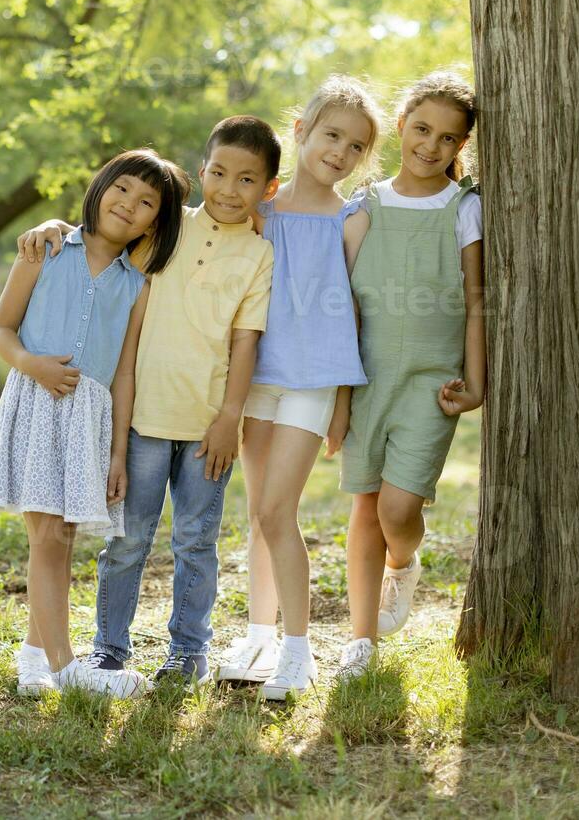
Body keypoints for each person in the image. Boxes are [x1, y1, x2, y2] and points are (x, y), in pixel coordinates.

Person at [17, 117, 277, 692]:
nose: (229, 190)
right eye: (217, 174)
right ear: (203, 170)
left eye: (247, 180)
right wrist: (52, 224)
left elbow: (245, 339)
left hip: (208, 421)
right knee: (127, 538)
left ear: (267, 189)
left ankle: (188, 652)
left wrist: (230, 416)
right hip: (140, 417)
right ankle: (108, 650)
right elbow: (98, 241)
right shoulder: (166, 228)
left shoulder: (259, 254)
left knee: (196, 540)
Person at [0, 149, 187, 698]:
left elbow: (125, 377)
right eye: (122, 190)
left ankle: (33, 660)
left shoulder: (136, 287)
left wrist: (117, 453)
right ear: (100, 186)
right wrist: (32, 364)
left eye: (146, 204)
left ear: (155, 223)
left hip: (89, 420)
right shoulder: (44, 250)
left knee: (60, 540)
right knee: (45, 537)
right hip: (38, 404)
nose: (129, 206)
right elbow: (1, 330)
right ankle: (68, 667)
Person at [212, 77, 381, 702]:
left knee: (279, 512)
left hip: (313, 384)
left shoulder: (352, 217)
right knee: (258, 513)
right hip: (257, 379)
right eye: (331, 135)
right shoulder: (262, 210)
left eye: (356, 146)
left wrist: (342, 401)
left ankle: (299, 650)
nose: (340, 151)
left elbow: (354, 313)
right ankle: (258, 633)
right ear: (302, 131)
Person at [333, 71, 485, 682]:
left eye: (448, 139)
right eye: (421, 129)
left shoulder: (464, 207)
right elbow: (343, 306)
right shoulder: (363, 207)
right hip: (368, 378)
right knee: (364, 505)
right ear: (400, 126)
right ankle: (360, 641)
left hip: (432, 383)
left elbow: (476, 299)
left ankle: (405, 561)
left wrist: (476, 383)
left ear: (461, 148)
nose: (431, 146)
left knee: (397, 508)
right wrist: (340, 400)